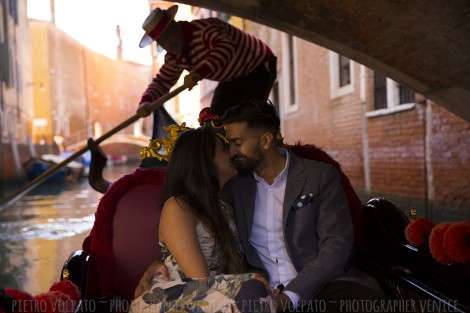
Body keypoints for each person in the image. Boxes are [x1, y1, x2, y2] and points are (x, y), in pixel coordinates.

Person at [220, 99, 386, 312]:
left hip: (322, 287)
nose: (232, 152)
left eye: (238, 142)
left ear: (266, 140)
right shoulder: (234, 186)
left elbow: (336, 245)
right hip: (261, 294)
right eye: (228, 144)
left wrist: (291, 295)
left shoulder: (320, 176)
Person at [130, 127, 275, 313]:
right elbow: (199, 280)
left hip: (215, 297)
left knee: (256, 292)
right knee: (254, 290)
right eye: (223, 149)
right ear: (204, 160)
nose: (231, 153)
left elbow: (233, 272)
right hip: (179, 297)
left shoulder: (224, 208)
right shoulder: (178, 207)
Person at [137, 5, 277, 138]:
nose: (168, 44)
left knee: (249, 118)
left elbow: (225, 48)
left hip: (258, 65)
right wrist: (146, 102)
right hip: (231, 77)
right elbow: (162, 81)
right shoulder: (174, 56)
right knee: (212, 123)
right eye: (161, 41)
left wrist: (198, 73)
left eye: (168, 35)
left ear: (175, 25)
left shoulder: (203, 29)